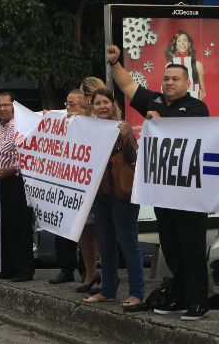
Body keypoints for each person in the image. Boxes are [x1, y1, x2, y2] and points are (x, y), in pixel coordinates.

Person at [107, 44, 210, 321]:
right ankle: (180, 297)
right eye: (166, 79)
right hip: (165, 194)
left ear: (187, 83)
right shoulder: (153, 102)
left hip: (190, 193)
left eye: (175, 79)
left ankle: (200, 300)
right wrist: (115, 63)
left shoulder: (196, 107)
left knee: (192, 248)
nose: (169, 83)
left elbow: (190, 134)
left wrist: (161, 119)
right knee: (172, 248)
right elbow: (128, 86)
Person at [83, 88, 145, 311]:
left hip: (123, 194)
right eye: (97, 103)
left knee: (128, 243)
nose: (101, 106)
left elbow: (133, 158)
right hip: (101, 194)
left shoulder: (124, 127)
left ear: (113, 104)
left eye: (105, 102)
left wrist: (127, 135)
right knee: (106, 244)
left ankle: (137, 293)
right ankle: (107, 290)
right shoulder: (90, 130)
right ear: (92, 107)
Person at [0, 92, 34, 282]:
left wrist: (11, 170)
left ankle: (24, 270)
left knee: (19, 227)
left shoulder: (21, 127)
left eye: (6, 105)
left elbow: (29, 157)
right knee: (3, 226)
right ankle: (6, 267)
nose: (2, 109)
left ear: (14, 106)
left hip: (16, 181)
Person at [49, 89, 86, 285]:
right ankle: (66, 268)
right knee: (61, 226)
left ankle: (86, 271)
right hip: (63, 183)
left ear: (84, 106)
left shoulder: (90, 126)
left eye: (73, 105)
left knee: (85, 232)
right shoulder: (61, 123)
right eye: (67, 104)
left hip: (82, 185)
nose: (69, 108)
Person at [73, 77, 107, 293]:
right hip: (82, 182)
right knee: (84, 230)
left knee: (101, 232)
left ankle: (107, 275)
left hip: (101, 185)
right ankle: (90, 272)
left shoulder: (106, 117)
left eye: (84, 95)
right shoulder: (78, 119)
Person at [165, 30, 206, 100]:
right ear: (175, 44)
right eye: (179, 41)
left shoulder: (197, 65)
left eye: (185, 40)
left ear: (189, 44)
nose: (182, 43)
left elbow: (203, 92)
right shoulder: (169, 65)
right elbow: (167, 88)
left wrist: (196, 103)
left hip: (193, 103)